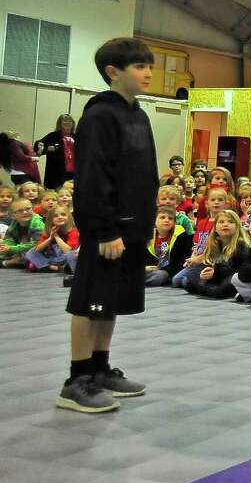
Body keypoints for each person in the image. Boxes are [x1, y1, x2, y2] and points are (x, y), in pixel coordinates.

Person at [59, 37, 157, 414]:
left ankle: (100, 368)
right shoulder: (100, 115)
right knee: (88, 300)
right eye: (139, 66)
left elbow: (142, 175)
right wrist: (104, 228)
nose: (148, 72)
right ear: (113, 72)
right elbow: (93, 176)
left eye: (149, 65)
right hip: (108, 228)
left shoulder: (139, 114)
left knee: (109, 300)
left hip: (132, 227)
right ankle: (77, 378)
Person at [183, 209, 251, 299]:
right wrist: (205, 273)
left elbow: (239, 270)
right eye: (221, 222)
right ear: (215, 228)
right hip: (218, 276)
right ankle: (207, 288)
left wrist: (215, 273)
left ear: (237, 227)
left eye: (230, 222)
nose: (225, 224)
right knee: (186, 281)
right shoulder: (213, 243)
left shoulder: (241, 245)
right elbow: (209, 262)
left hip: (236, 276)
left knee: (221, 289)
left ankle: (206, 289)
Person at [144, 206, 192, 287]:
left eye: (170, 218)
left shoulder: (180, 235)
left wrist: (170, 272)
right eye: (162, 217)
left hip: (169, 272)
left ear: (174, 222)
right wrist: (145, 267)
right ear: (155, 220)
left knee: (160, 276)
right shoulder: (149, 236)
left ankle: (135, 282)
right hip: (152, 269)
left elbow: (182, 259)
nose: (166, 220)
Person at [25, 205, 79, 272]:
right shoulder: (48, 231)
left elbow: (68, 251)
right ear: (51, 219)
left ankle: (42, 265)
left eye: (63, 215)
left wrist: (56, 236)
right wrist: (50, 238)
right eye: (55, 216)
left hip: (64, 258)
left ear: (69, 217)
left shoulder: (73, 231)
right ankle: (53, 267)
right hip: (51, 258)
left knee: (71, 255)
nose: (60, 217)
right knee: (30, 253)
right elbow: (37, 250)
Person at [34, 114, 75, 190]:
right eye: (65, 121)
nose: (67, 122)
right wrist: (46, 148)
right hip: (56, 173)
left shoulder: (76, 137)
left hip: (73, 173)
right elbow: (39, 146)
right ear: (60, 123)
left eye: (70, 121)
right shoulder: (52, 136)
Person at [1, 198, 45, 267]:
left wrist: (12, 248)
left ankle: (8, 263)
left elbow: (36, 244)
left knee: (28, 255)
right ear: (13, 216)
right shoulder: (13, 224)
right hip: (21, 249)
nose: (25, 212)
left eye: (28, 209)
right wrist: (6, 248)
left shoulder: (38, 224)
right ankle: (12, 261)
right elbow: (9, 239)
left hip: (39, 250)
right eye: (20, 211)